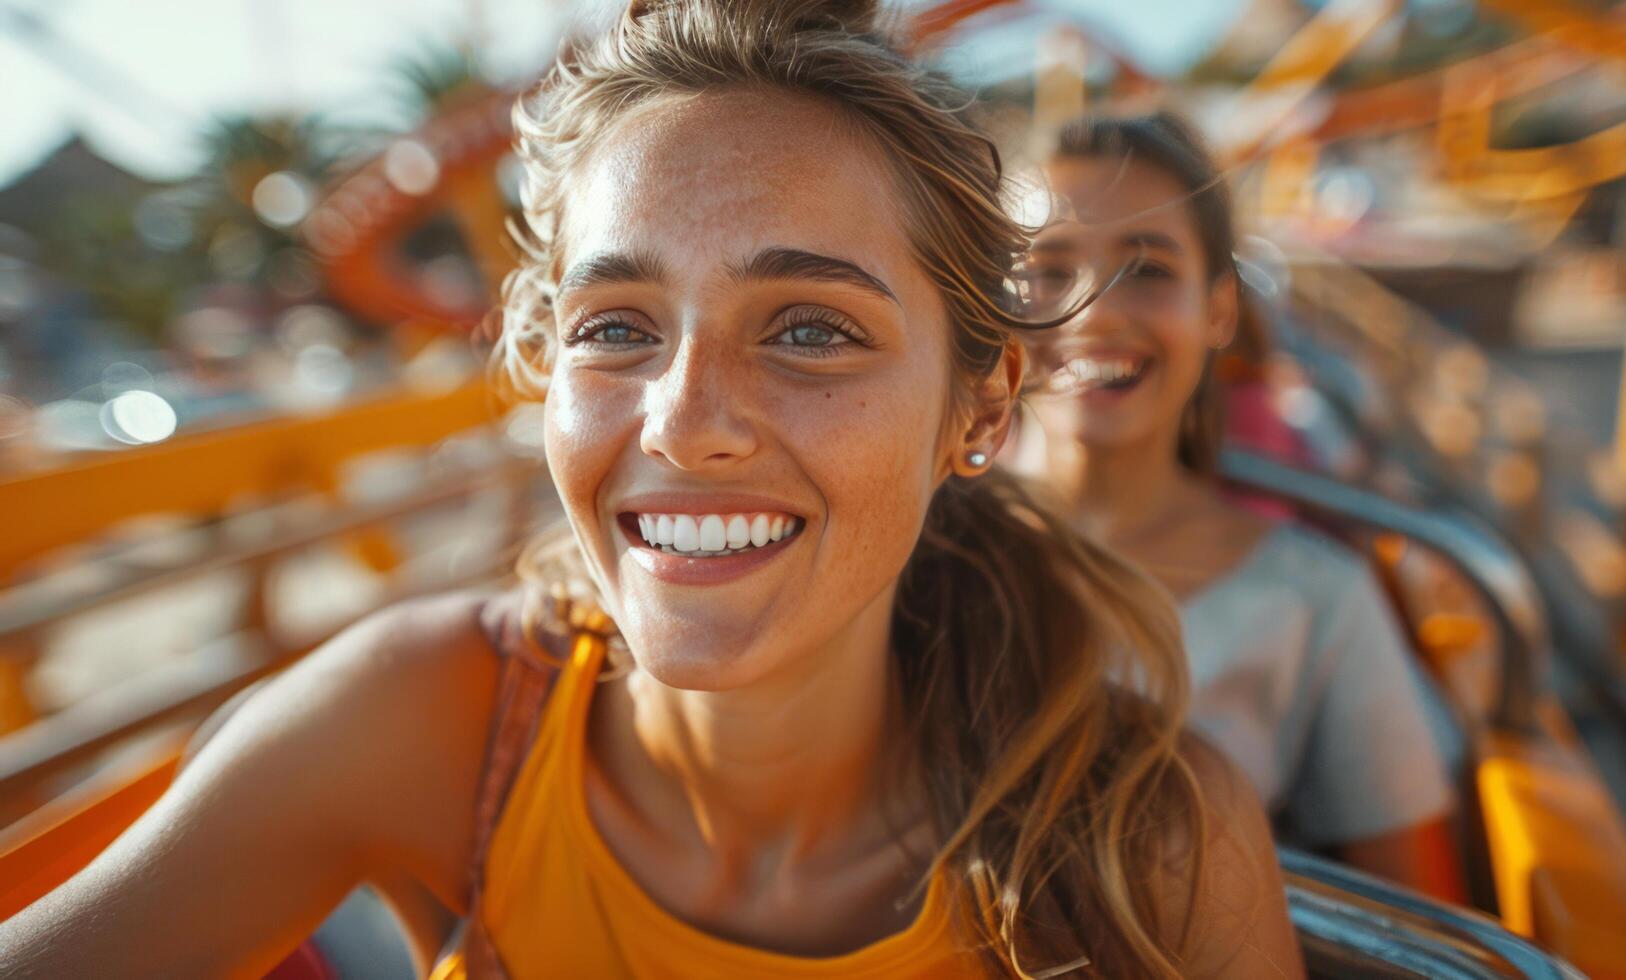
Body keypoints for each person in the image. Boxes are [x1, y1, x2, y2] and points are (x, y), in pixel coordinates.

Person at [0, 4, 1303, 978]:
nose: (683, 426)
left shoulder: (1148, 842)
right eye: (618, 328)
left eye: (807, 329)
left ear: (982, 403)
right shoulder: (435, 726)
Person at [1012, 110, 1463, 900]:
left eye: (1146, 269)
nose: (1091, 313)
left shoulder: (1316, 597)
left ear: (1219, 310)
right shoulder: (906, 547)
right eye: (1045, 273)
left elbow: (1418, 921)